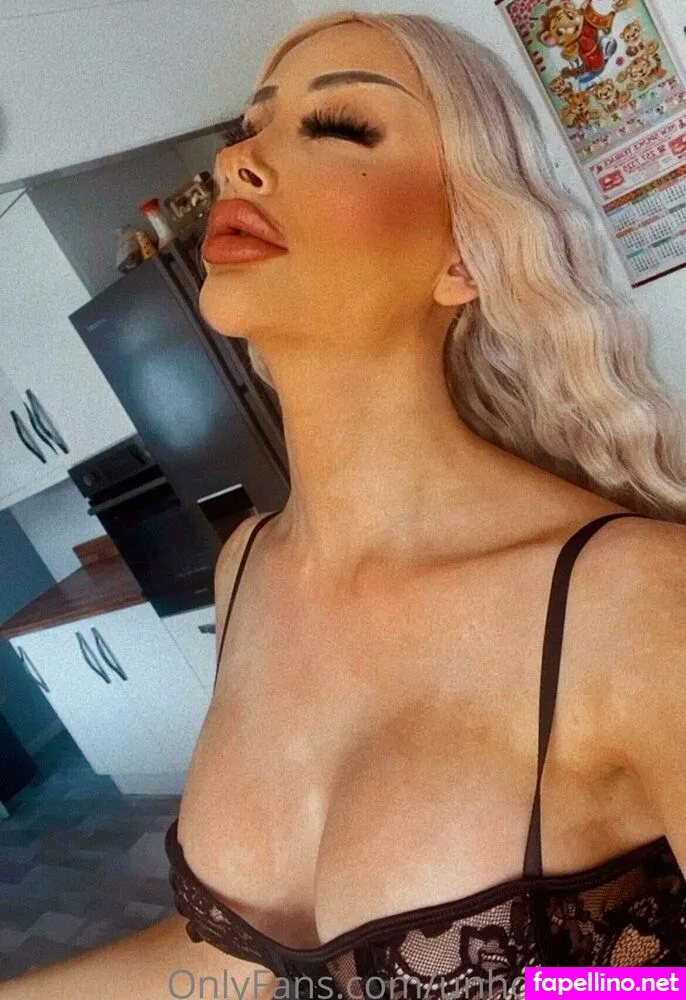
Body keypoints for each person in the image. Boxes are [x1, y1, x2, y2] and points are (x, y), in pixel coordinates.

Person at [4, 9, 686, 1000]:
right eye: (251, 128)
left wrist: (562, 989)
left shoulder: (638, 602)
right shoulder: (246, 568)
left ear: (464, 255)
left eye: (339, 127)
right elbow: (230, 963)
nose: (236, 161)